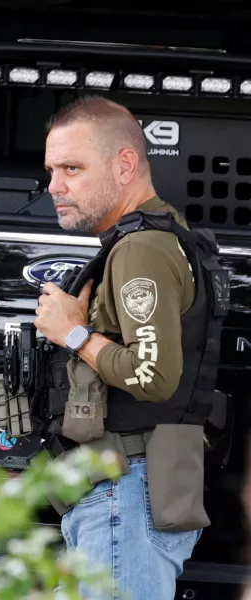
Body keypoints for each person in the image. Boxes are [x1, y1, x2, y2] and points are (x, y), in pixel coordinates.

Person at [33, 95, 228, 599]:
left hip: (127, 492)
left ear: (125, 164)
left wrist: (71, 333)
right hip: (124, 489)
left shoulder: (142, 247)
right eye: (52, 170)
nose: (55, 186)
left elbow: (154, 376)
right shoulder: (153, 236)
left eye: (72, 168)